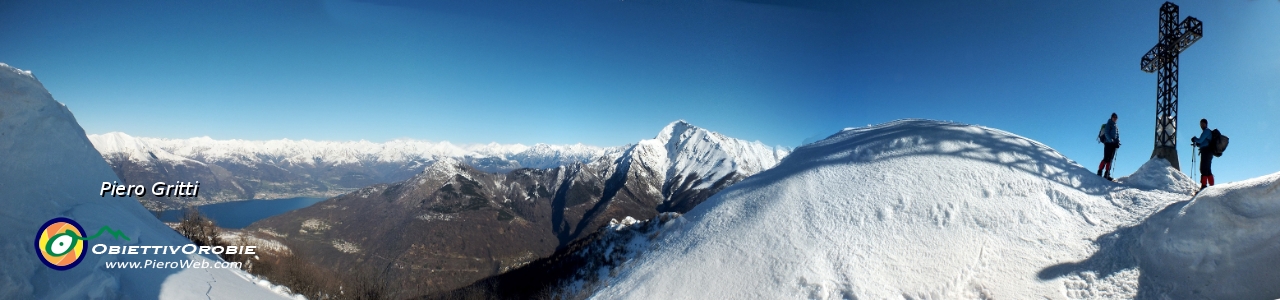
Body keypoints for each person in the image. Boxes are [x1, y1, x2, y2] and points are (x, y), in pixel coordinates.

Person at [1192, 118, 1214, 190]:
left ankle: (1204, 186)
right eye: (1201, 124)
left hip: (1206, 151)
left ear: (1206, 124)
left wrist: (1194, 139)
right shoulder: (1207, 132)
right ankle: (1212, 187)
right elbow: (1203, 142)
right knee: (1207, 169)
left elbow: (1200, 140)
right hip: (1208, 151)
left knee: (1203, 168)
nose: (1201, 125)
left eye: (1202, 124)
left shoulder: (1206, 131)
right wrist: (1199, 144)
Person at [1097, 113, 1120, 181]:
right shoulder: (1108, 124)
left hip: (1113, 144)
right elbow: (1106, 133)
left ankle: (1107, 174)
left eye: (1116, 117)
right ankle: (1100, 171)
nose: (1115, 118)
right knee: (1106, 158)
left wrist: (1118, 142)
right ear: (1111, 117)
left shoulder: (1116, 126)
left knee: (1110, 159)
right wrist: (1111, 140)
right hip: (1108, 143)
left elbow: (1117, 135)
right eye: (1114, 117)